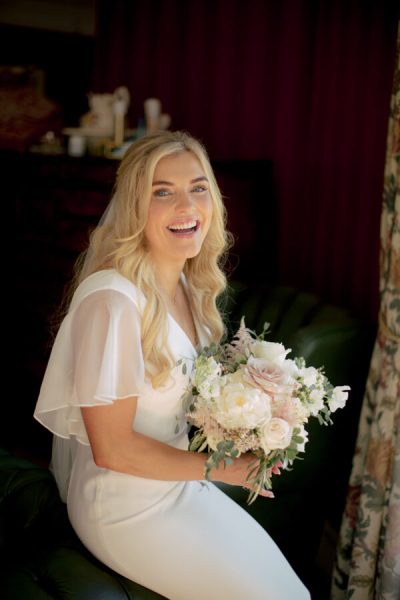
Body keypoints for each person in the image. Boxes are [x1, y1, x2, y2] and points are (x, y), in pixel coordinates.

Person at [34, 130, 310, 600]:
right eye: (162, 192)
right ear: (134, 207)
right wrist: (223, 469)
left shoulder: (189, 286)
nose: (186, 206)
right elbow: (113, 450)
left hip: (177, 484)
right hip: (125, 505)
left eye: (197, 187)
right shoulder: (114, 302)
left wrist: (262, 417)